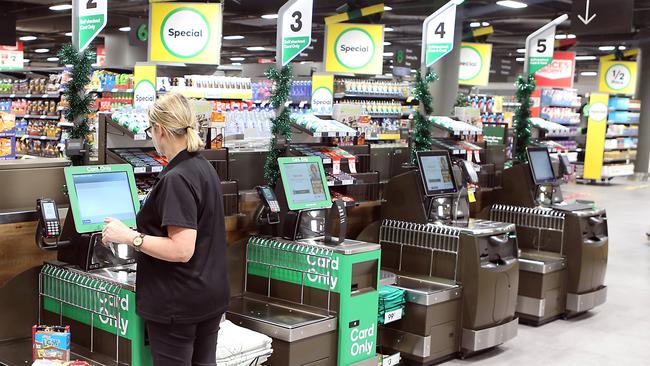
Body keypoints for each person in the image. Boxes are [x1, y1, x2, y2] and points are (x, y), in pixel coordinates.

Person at [102, 93, 229, 366]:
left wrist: (130, 236)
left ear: (160, 130)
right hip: (208, 294)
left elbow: (182, 249)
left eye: (151, 130)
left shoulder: (177, 178)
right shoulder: (202, 166)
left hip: (178, 304)